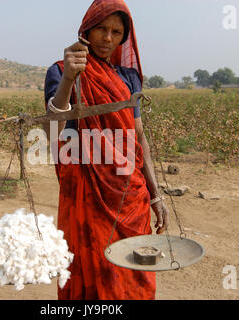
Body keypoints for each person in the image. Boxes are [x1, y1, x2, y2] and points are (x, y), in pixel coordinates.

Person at [43, 0, 169, 300]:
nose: (108, 38)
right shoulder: (60, 71)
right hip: (87, 189)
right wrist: (70, 79)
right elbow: (53, 130)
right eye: (101, 29)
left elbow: (139, 138)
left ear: (125, 36)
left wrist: (155, 194)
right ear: (87, 29)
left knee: (133, 273)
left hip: (130, 194)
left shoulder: (129, 78)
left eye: (116, 31)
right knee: (92, 268)